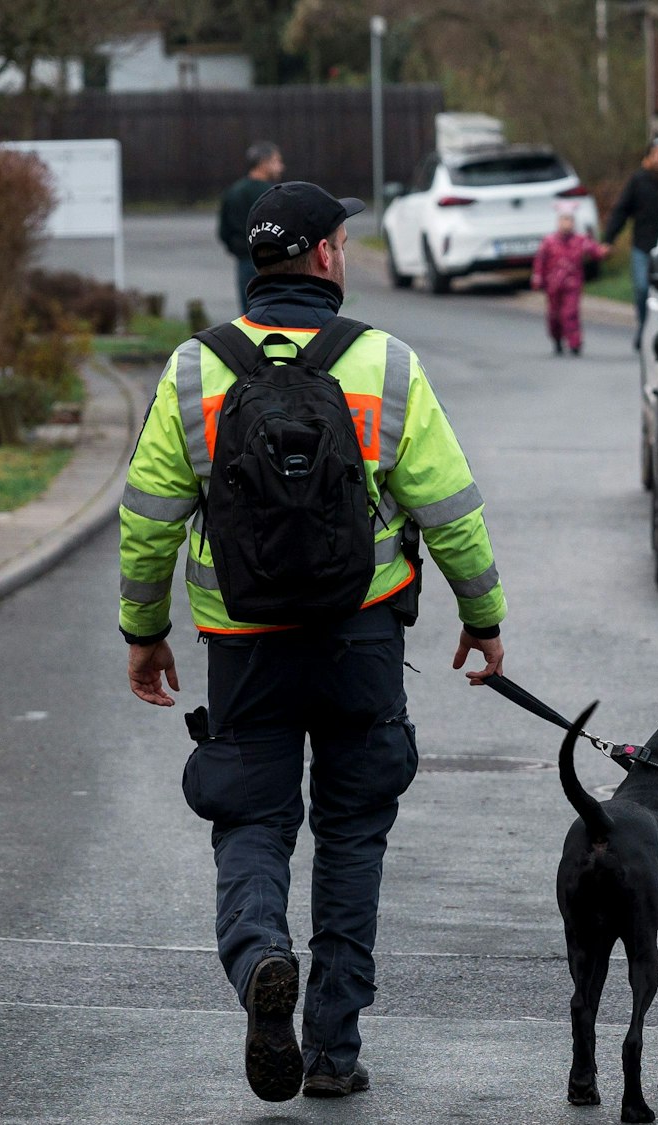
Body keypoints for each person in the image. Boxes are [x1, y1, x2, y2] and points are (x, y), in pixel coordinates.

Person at [119, 181, 508, 1103]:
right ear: (327, 257)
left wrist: (144, 631)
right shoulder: (386, 365)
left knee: (251, 820)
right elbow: (450, 510)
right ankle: (333, 1048)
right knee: (352, 833)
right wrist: (483, 618)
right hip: (359, 642)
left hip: (243, 647)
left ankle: (260, 954)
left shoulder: (192, 371)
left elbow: (147, 521)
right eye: (343, 240)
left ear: (258, 261)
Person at [601, 137, 658, 348]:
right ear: (649, 157)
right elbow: (621, 210)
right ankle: (644, 328)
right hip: (643, 247)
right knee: (643, 289)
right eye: (656, 154)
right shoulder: (639, 180)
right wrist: (608, 239)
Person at [531, 203, 609, 356]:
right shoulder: (549, 241)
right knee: (554, 314)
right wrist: (538, 277)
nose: (567, 224)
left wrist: (602, 252)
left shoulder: (579, 240)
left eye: (570, 220)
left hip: (572, 284)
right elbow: (540, 261)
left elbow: (594, 250)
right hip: (553, 285)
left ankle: (574, 342)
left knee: (570, 312)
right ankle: (557, 338)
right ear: (558, 222)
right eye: (563, 220)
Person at [217, 142, 283, 313]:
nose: (281, 167)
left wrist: (239, 250)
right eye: (277, 161)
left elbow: (224, 231)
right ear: (264, 162)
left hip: (245, 260)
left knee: (249, 314)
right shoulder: (275, 193)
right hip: (274, 264)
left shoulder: (233, 191)